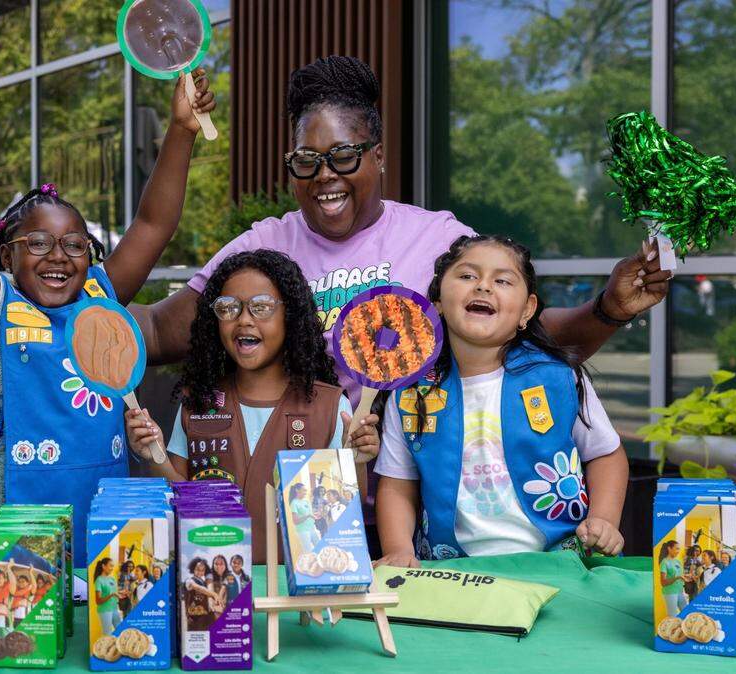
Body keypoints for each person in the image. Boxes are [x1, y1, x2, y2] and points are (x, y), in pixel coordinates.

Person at [131, 56, 670, 548]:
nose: (325, 175)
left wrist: (607, 309)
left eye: (343, 156)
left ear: (379, 156)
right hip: (290, 515)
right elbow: (154, 335)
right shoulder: (261, 248)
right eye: (306, 161)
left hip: (417, 510)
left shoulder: (436, 239)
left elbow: (518, 330)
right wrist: (68, 309)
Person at [0, 62, 214, 562]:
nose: (59, 255)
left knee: (100, 627)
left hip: (100, 509)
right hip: (6, 517)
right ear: (7, 257)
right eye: (37, 242)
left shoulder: (101, 296)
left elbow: (153, 224)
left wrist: (180, 130)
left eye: (75, 244)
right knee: (15, 634)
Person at [375, 236, 630, 565]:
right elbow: (397, 483)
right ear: (437, 300)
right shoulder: (410, 392)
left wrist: (605, 520)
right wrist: (398, 549)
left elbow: (606, 455)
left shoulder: (559, 379)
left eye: (503, 280)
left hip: (561, 563)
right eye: (467, 276)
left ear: (527, 309)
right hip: (453, 569)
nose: (483, 287)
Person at [125, 250, 379, 561]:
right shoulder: (199, 402)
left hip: (297, 596)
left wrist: (357, 461)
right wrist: (154, 456)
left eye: (261, 308)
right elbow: (179, 505)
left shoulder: (329, 405)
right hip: (215, 592)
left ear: (291, 316)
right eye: (228, 308)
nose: (244, 320)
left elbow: (343, 516)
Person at [182, 557, 221, 631]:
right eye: (198, 569)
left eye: (203, 570)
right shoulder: (189, 581)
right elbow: (198, 588)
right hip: (194, 619)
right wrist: (214, 595)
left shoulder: (204, 583)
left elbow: (207, 587)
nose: (200, 572)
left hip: (205, 619)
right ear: (193, 569)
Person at [289, 483, 323, 554]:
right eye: (304, 490)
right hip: (303, 530)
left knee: (320, 548)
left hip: (312, 528)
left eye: (306, 491)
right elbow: (295, 521)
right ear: (297, 490)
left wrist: (316, 515)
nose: (305, 493)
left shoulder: (306, 501)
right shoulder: (294, 503)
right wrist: (308, 516)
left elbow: (310, 514)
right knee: (308, 552)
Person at [93, 558, 123, 635]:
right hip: (105, 610)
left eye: (113, 566)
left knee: (121, 631)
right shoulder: (99, 580)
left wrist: (121, 593)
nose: (112, 568)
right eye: (110, 566)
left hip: (114, 608)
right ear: (103, 566)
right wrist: (111, 595)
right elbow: (98, 601)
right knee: (108, 633)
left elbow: (114, 592)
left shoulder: (112, 579)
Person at [659, 541, 687, 616]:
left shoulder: (678, 561)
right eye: (676, 549)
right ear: (669, 549)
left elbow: (680, 575)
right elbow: (663, 582)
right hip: (670, 592)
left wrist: (687, 576)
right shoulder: (664, 562)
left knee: (686, 613)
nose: (678, 551)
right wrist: (677, 578)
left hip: (680, 591)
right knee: (672, 616)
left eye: (679, 549)